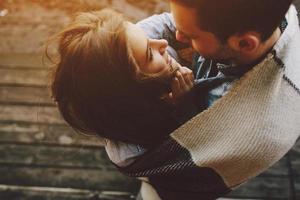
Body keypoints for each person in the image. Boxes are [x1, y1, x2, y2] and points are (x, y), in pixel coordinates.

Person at [108, 0, 300, 199]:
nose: (176, 36)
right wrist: (121, 50)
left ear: (244, 43)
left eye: (190, 36)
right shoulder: (260, 18)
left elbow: (192, 152)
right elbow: (171, 24)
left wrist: (185, 105)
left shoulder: (246, 118)